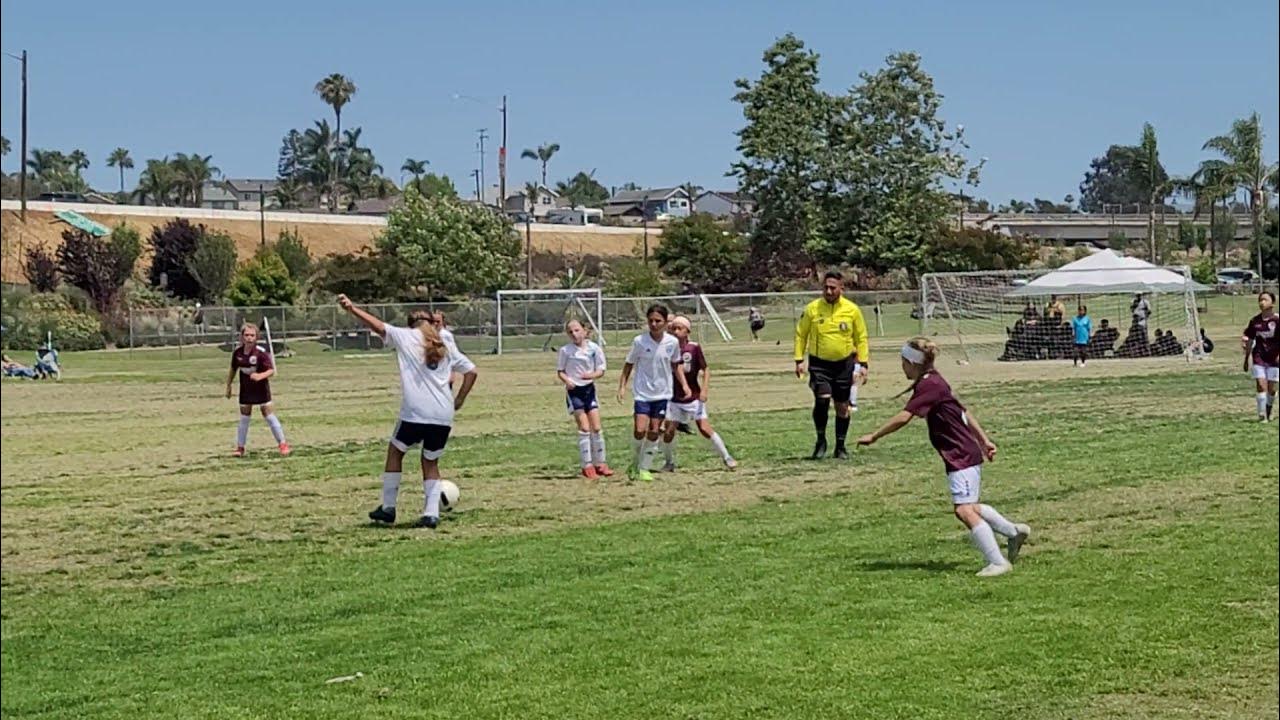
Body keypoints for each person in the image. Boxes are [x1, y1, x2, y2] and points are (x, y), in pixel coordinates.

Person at [857, 337, 1031, 577]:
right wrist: (984, 440)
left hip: (961, 454)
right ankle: (1013, 532)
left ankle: (998, 562)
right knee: (970, 506)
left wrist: (874, 436)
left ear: (913, 362)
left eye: (903, 362)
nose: (902, 367)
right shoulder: (933, 381)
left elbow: (904, 417)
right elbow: (964, 412)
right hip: (961, 453)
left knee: (964, 511)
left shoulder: (930, 385)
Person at [340, 294, 478, 528]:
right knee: (430, 461)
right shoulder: (443, 342)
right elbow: (472, 372)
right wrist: (460, 399)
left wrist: (352, 308)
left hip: (416, 412)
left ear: (411, 323)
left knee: (396, 452)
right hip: (443, 414)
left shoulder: (406, 336)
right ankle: (431, 514)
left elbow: (377, 325)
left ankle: (389, 508)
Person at [794, 271, 870, 460]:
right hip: (820, 364)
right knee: (822, 399)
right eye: (826, 287)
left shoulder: (852, 310)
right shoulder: (812, 309)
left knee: (842, 407)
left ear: (841, 289)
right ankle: (821, 441)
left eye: (832, 288)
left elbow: (861, 338)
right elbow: (801, 334)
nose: (828, 291)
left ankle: (841, 446)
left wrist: (863, 363)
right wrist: (798, 360)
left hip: (844, 364)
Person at [617, 304, 690, 482]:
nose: (654, 324)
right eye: (651, 321)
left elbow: (676, 365)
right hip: (642, 393)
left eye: (658, 321)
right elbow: (629, 364)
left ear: (665, 323)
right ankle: (635, 461)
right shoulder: (639, 341)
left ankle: (644, 467)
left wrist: (684, 385)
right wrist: (622, 386)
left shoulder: (671, 343)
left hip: (662, 394)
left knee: (654, 430)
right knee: (639, 430)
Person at [658, 316, 737, 472]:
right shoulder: (667, 348)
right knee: (668, 431)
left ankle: (727, 457)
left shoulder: (693, 348)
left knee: (704, 428)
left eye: (679, 328)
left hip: (693, 397)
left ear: (688, 331)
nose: (675, 331)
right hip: (674, 398)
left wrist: (705, 390)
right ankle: (669, 462)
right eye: (673, 328)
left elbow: (705, 369)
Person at [557, 319, 612, 480]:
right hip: (575, 392)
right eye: (570, 332)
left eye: (577, 330)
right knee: (584, 427)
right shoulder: (566, 351)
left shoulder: (594, 348)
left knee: (596, 427)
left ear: (585, 331)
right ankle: (587, 465)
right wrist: (568, 381)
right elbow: (560, 371)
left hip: (589, 389)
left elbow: (601, 370)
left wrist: (591, 375)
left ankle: (601, 463)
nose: (574, 334)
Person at [225, 323, 290, 457]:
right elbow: (233, 369)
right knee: (244, 417)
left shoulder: (260, 353)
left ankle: (283, 444)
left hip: (261, 389)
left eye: (252, 335)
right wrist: (229, 385)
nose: (249, 338)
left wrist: (260, 376)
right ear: (242, 337)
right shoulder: (237, 353)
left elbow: (271, 370)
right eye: (246, 335)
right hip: (246, 389)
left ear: (256, 337)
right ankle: (240, 448)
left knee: (268, 415)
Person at [1241, 291, 1279, 422]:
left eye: (1265, 300)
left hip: (1274, 359)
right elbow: (1250, 340)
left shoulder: (1277, 320)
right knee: (1261, 385)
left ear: (1272, 303)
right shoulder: (1255, 321)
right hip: (1259, 357)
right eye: (1260, 300)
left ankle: (1268, 409)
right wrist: (1246, 359)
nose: (1262, 302)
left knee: (1271, 389)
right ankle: (1262, 415)